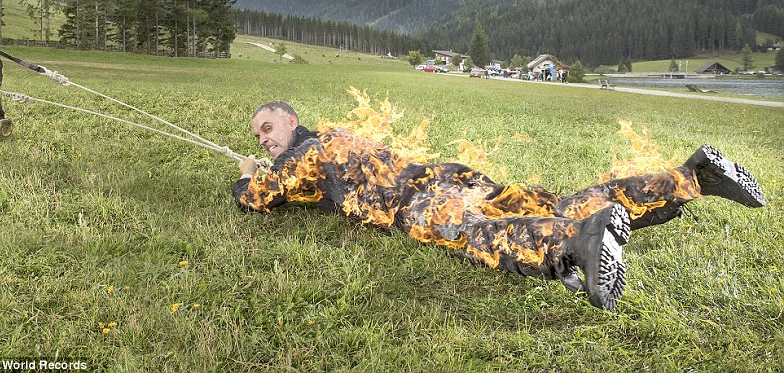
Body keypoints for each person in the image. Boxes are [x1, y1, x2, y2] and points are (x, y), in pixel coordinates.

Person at [232, 101, 766, 311]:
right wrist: (270, 170)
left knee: (474, 234)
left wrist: (244, 178)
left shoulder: (309, 149)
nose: (262, 139)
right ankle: (689, 177)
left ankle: (573, 244)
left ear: (290, 119)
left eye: (267, 127)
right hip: (457, 177)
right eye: (257, 135)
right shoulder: (333, 142)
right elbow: (308, 192)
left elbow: (260, 197)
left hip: (423, 201)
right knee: (559, 201)